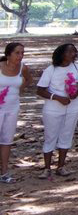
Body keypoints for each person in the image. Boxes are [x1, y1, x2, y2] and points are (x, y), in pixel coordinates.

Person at [37, 43, 78, 178]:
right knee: (50, 137)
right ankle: (47, 168)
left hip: (72, 107)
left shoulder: (77, 67)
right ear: (61, 54)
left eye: (74, 52)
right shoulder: (51, 70)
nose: (73, 54)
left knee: (66, 135)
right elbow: (40, 90)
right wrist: (57, 97)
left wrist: (76, 94)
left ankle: (61, 166)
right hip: (53, 109)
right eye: (69, 52)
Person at [0, 42, 32, 183]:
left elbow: (29, 79)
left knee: (7, 140)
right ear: (8, 54)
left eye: (22, 53)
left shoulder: (22, 68)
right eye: (17, 53)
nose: (20, 56)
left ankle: (4, 172)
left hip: (12, 107)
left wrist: (21, 89)